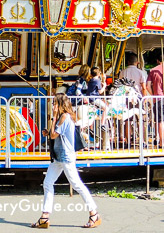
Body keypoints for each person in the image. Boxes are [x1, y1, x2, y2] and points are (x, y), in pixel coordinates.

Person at [31, 93, 101, 229]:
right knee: (48, 183)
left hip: (65, 156)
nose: (53, 105)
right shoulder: (63, 117)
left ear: (60, 104)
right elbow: (54, 134)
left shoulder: (63, 117)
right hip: (59, 156)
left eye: (54, 103)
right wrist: (50, 129)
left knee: (76, 184)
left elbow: (53, 135)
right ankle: (45, 216)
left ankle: (94, 213)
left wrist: (53, 117)